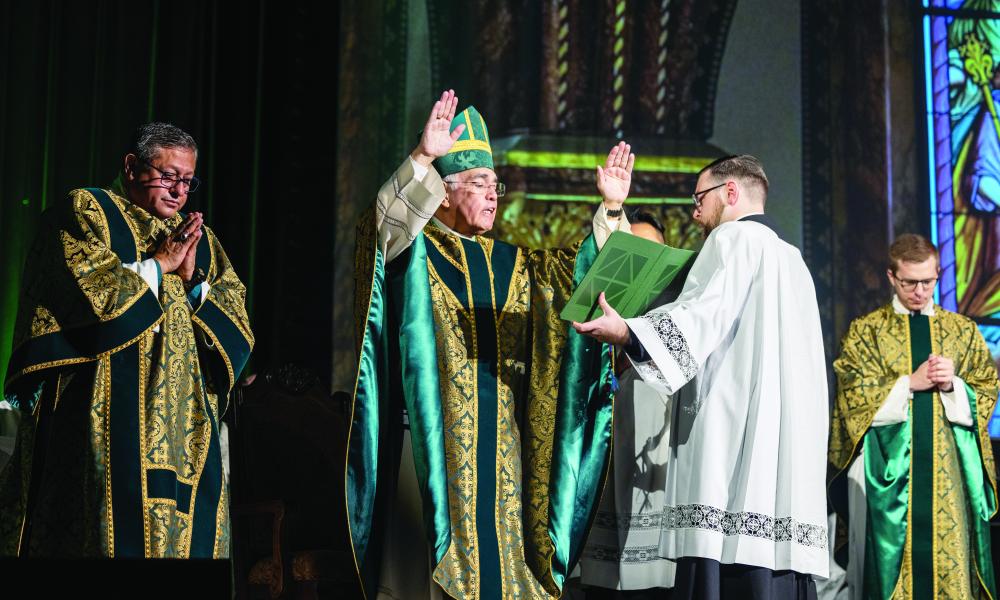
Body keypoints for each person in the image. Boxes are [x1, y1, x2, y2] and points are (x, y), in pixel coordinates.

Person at [346, 90, 630, 599]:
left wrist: (610, 210)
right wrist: (424, 158)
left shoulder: (515, 265)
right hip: (429, 443)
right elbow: (381, 231)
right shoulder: (414, 251)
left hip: (501, 453)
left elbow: (588, 287)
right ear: (445, 190)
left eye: (496, 185)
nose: (494, 195)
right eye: (479, 184)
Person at [573, 155, 829, 599]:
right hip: (782, 466)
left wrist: (628, 332)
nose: (694, 212)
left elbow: (698, 319)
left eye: (699, 198)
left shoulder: (731, 240)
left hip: (728, 460)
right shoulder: (794, 260)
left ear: (730, 193)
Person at [0, 122, 253, 558]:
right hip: (100, 415)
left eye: (188, 182)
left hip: (185, 426)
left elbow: (238, 321)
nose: (178, 191)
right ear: (132, 166)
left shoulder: (203, 242)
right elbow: (85, 294)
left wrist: (194, 282)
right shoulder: (88, 210)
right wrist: (157, 265)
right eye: (168, 176)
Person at [830, 233, 998, 599]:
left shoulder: (963, 331)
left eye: (929, 281)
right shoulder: (867, 332)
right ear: (892, 277)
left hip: (949, 475)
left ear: (938, 274)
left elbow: (986, 389)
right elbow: (852, 399)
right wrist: (910, 383)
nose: (920, 291)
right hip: (891, 478)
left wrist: (954, 385)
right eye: (910, 282)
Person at [578, 209, 677, 597]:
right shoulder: (592, 319)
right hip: (604, 471)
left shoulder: (681, 316)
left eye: (653, 253)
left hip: (656, 472)